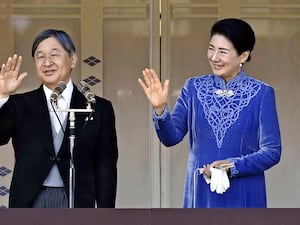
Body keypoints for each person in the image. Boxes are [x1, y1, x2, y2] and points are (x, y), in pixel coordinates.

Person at [138, 18, 281, 208]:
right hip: (201, 194)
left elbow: (272, 151)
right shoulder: (194, 87)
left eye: (223, 51)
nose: (214, 57)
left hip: (245, 194)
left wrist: (231, 167)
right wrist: (160, 109)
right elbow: (171, 138)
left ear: (243, 56)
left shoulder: (261, 93)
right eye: (211, 48)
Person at [0, 29, 118, 208]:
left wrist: (106, 214)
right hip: (29, 202)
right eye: (40, 57)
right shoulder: (20, 104)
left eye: (55, 54)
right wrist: (2, 95)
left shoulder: (98, 108)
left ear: (73, 59)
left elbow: (106, 167)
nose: (47, 62)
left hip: (78, 201)